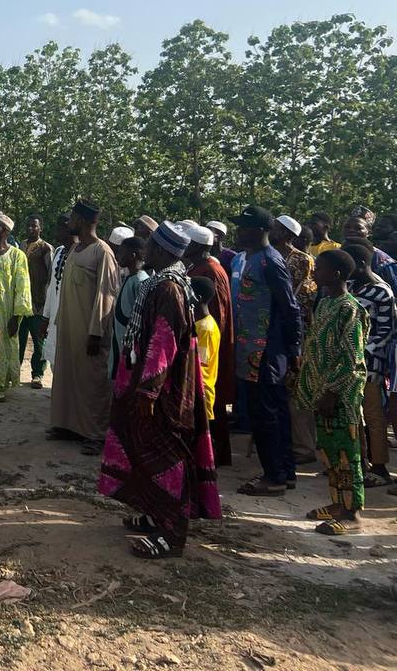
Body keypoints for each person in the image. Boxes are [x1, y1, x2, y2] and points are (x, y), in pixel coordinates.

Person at [98, 224, 221, 559]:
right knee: (146, 454)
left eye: (152, 245)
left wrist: (148, 392)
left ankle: (172, 533)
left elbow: (163, 343)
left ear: (165, 252)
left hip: (164, 392)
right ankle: (154, 515)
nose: (145, 249)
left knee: (167, 457)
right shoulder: (163, 282)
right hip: (149, 384)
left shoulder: (168, 288)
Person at [296, 248, 369, 534]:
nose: (315, 272)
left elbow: (352, 357)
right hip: (321, 394)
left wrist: (331, 392)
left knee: (347, 454)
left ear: (336, 274)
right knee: (329, 453)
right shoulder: (325, 303)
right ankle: (338, 503)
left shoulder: (350, 309)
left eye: (321, 268)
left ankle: (353, 513)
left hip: (340, 398)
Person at [232, 205, 303, 497]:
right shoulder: (249, 259)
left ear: (261, 230)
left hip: (266, 352)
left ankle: (274, 477)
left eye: (244, 227)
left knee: (267, 416)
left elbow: (290, 307)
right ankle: (283, 472)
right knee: (270, 413)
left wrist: (294, 348)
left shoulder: (270, 262)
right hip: (250, 350)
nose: (238, 231)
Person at [50, 200, 120, 454]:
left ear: (81, 220)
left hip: (90, 332)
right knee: (68, 376)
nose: (69, 223)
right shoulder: (76, 249)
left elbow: (107, 295)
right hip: (69, 327)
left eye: (72, 218)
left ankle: (95, 434)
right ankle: (67, 425)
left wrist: (96, 332)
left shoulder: (103, 252)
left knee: (92, 382)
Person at [341, 242, 395, 487]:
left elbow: (385, 330)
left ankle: (380, 467)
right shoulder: (350, 287)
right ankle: (357, 463)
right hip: (347, 361)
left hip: (370, 363)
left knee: (373, 415)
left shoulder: (382, 291)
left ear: (361, 264)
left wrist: (361, 353)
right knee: (352, 414)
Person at [184, 225, 235, 465]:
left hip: (208, 343)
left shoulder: (211, 271)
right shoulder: (197, 268)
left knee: (209, 406)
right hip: (202, 337)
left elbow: (217, 311)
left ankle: (213, 457)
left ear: (197, 246)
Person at [271, 214, 319, 465]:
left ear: (287, 234)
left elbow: (290, 297)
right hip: (277, 329)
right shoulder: (270, 255)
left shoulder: (301, 260)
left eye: (276, 228)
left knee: (296, 390)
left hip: (297, 331)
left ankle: (304, 446)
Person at [0, 213, 32, 398]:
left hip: (6, 309)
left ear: (5, 231)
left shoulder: (17, 255)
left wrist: (16, 316)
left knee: (4, 346)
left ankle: (0, 386)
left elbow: (23, 286)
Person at [40, 213, 77, 379]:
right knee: (55, 359)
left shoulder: (83, 252)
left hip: (73, 319)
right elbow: (51, 286)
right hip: (54, 315)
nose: (56, 231)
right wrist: (45, 316)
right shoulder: (60, 251)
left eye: (59, 227)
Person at [20, 215, 53, 389]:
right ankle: (13, 372)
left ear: (41, 228)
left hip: (38, 302)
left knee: (39, 341)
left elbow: (51, 276)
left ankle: (38, 375)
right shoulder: (20, 246)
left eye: (34, 226)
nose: (30, 229)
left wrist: (46, 303)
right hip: (21, 302)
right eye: (28, 226)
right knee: (19, 339)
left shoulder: (46, 248)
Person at [110, 237, 150, 383]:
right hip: (119, 340)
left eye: (121, 253)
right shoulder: (130, 278)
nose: (117, 256)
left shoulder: (140, 281)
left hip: (129, 346)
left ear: (133, 255)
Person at [191, 277, 219, 421]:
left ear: (198, 298)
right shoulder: (200, 324)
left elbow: (200, 364)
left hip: (201, 394)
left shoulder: (205, 328)